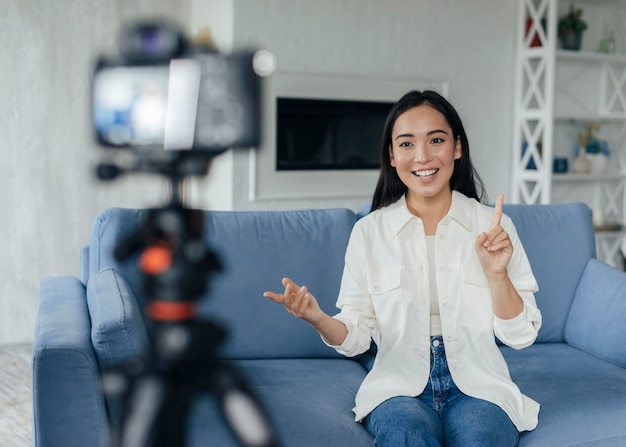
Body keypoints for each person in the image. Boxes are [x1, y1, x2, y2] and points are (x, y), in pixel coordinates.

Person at [264, 90, 542, 447]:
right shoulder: (369, 232)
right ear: (392, 156)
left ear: (457, 147)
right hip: (397, 387)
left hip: (481, 385)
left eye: (436, 140)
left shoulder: (493, 228)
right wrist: (317, 317)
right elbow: (356, 338)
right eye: (407, 144)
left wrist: (497, 274)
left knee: (481, 438)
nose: (423, 156)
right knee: (404, 436)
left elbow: (521, 335)